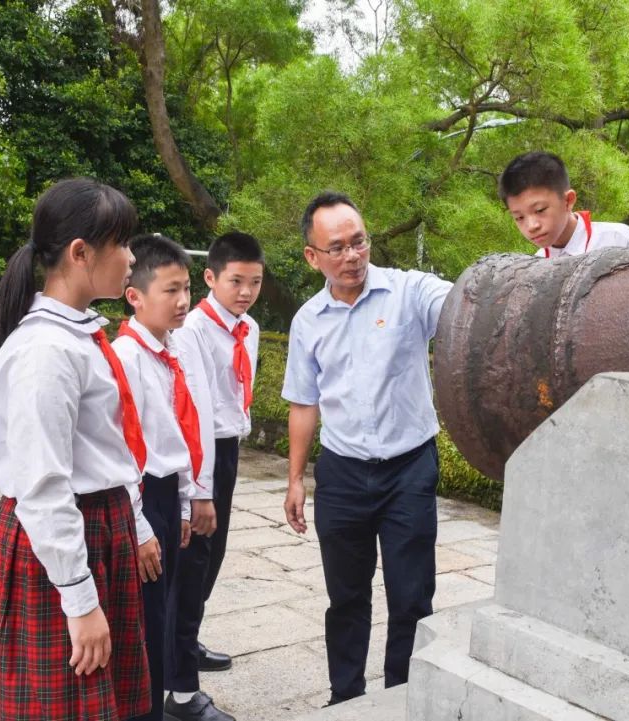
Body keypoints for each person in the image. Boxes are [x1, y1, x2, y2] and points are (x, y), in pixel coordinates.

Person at [0, 178, 152, 721]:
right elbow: (43, 485)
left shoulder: (75, 336)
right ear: (80, 253)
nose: (131, 257)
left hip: (96, 529)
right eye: (122, 244)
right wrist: (80, 599)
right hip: (61, 545)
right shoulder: (45, 351)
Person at [282, 191, 453, 705]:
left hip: (409, 469)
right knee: (347, 597)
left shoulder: (409, 292)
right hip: (343, 475)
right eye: (336, 248)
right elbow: (304, 403)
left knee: (411, 596)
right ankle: (347, 698)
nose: (352, 256)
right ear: (313, 256)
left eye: (359, 242)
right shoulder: (308, 321)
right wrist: (295, 478)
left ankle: (401, 697)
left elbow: (461, 304)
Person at [111, 234, 227, 721]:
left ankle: (161, 704)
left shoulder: (171, 348)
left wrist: (184, 503)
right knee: (142, 625)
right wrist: (140, 526)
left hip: (166, 494)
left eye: (185, 290)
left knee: (162, 616)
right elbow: (125, 449)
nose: (183, 302)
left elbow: (182, 430)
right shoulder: (126, 355)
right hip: (138, 497)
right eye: (170, 291)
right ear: (134, 295)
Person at [167, 231, 264, 720]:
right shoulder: (194, 332)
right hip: (196, 452)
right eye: (235, 282)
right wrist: (198, 487)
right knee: (192, 562)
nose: (245, 292)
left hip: (228, 450)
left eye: (254, 282)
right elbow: (194, 412)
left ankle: (185, 640)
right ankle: (177, 666)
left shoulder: (251, 328)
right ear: (211, 278)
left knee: (212, 559)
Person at [498, 151, 629, 257]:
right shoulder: (536, 266)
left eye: (540, 210)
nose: (531, 226)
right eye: (519, 217)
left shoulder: (620, 240)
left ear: (568, 200)